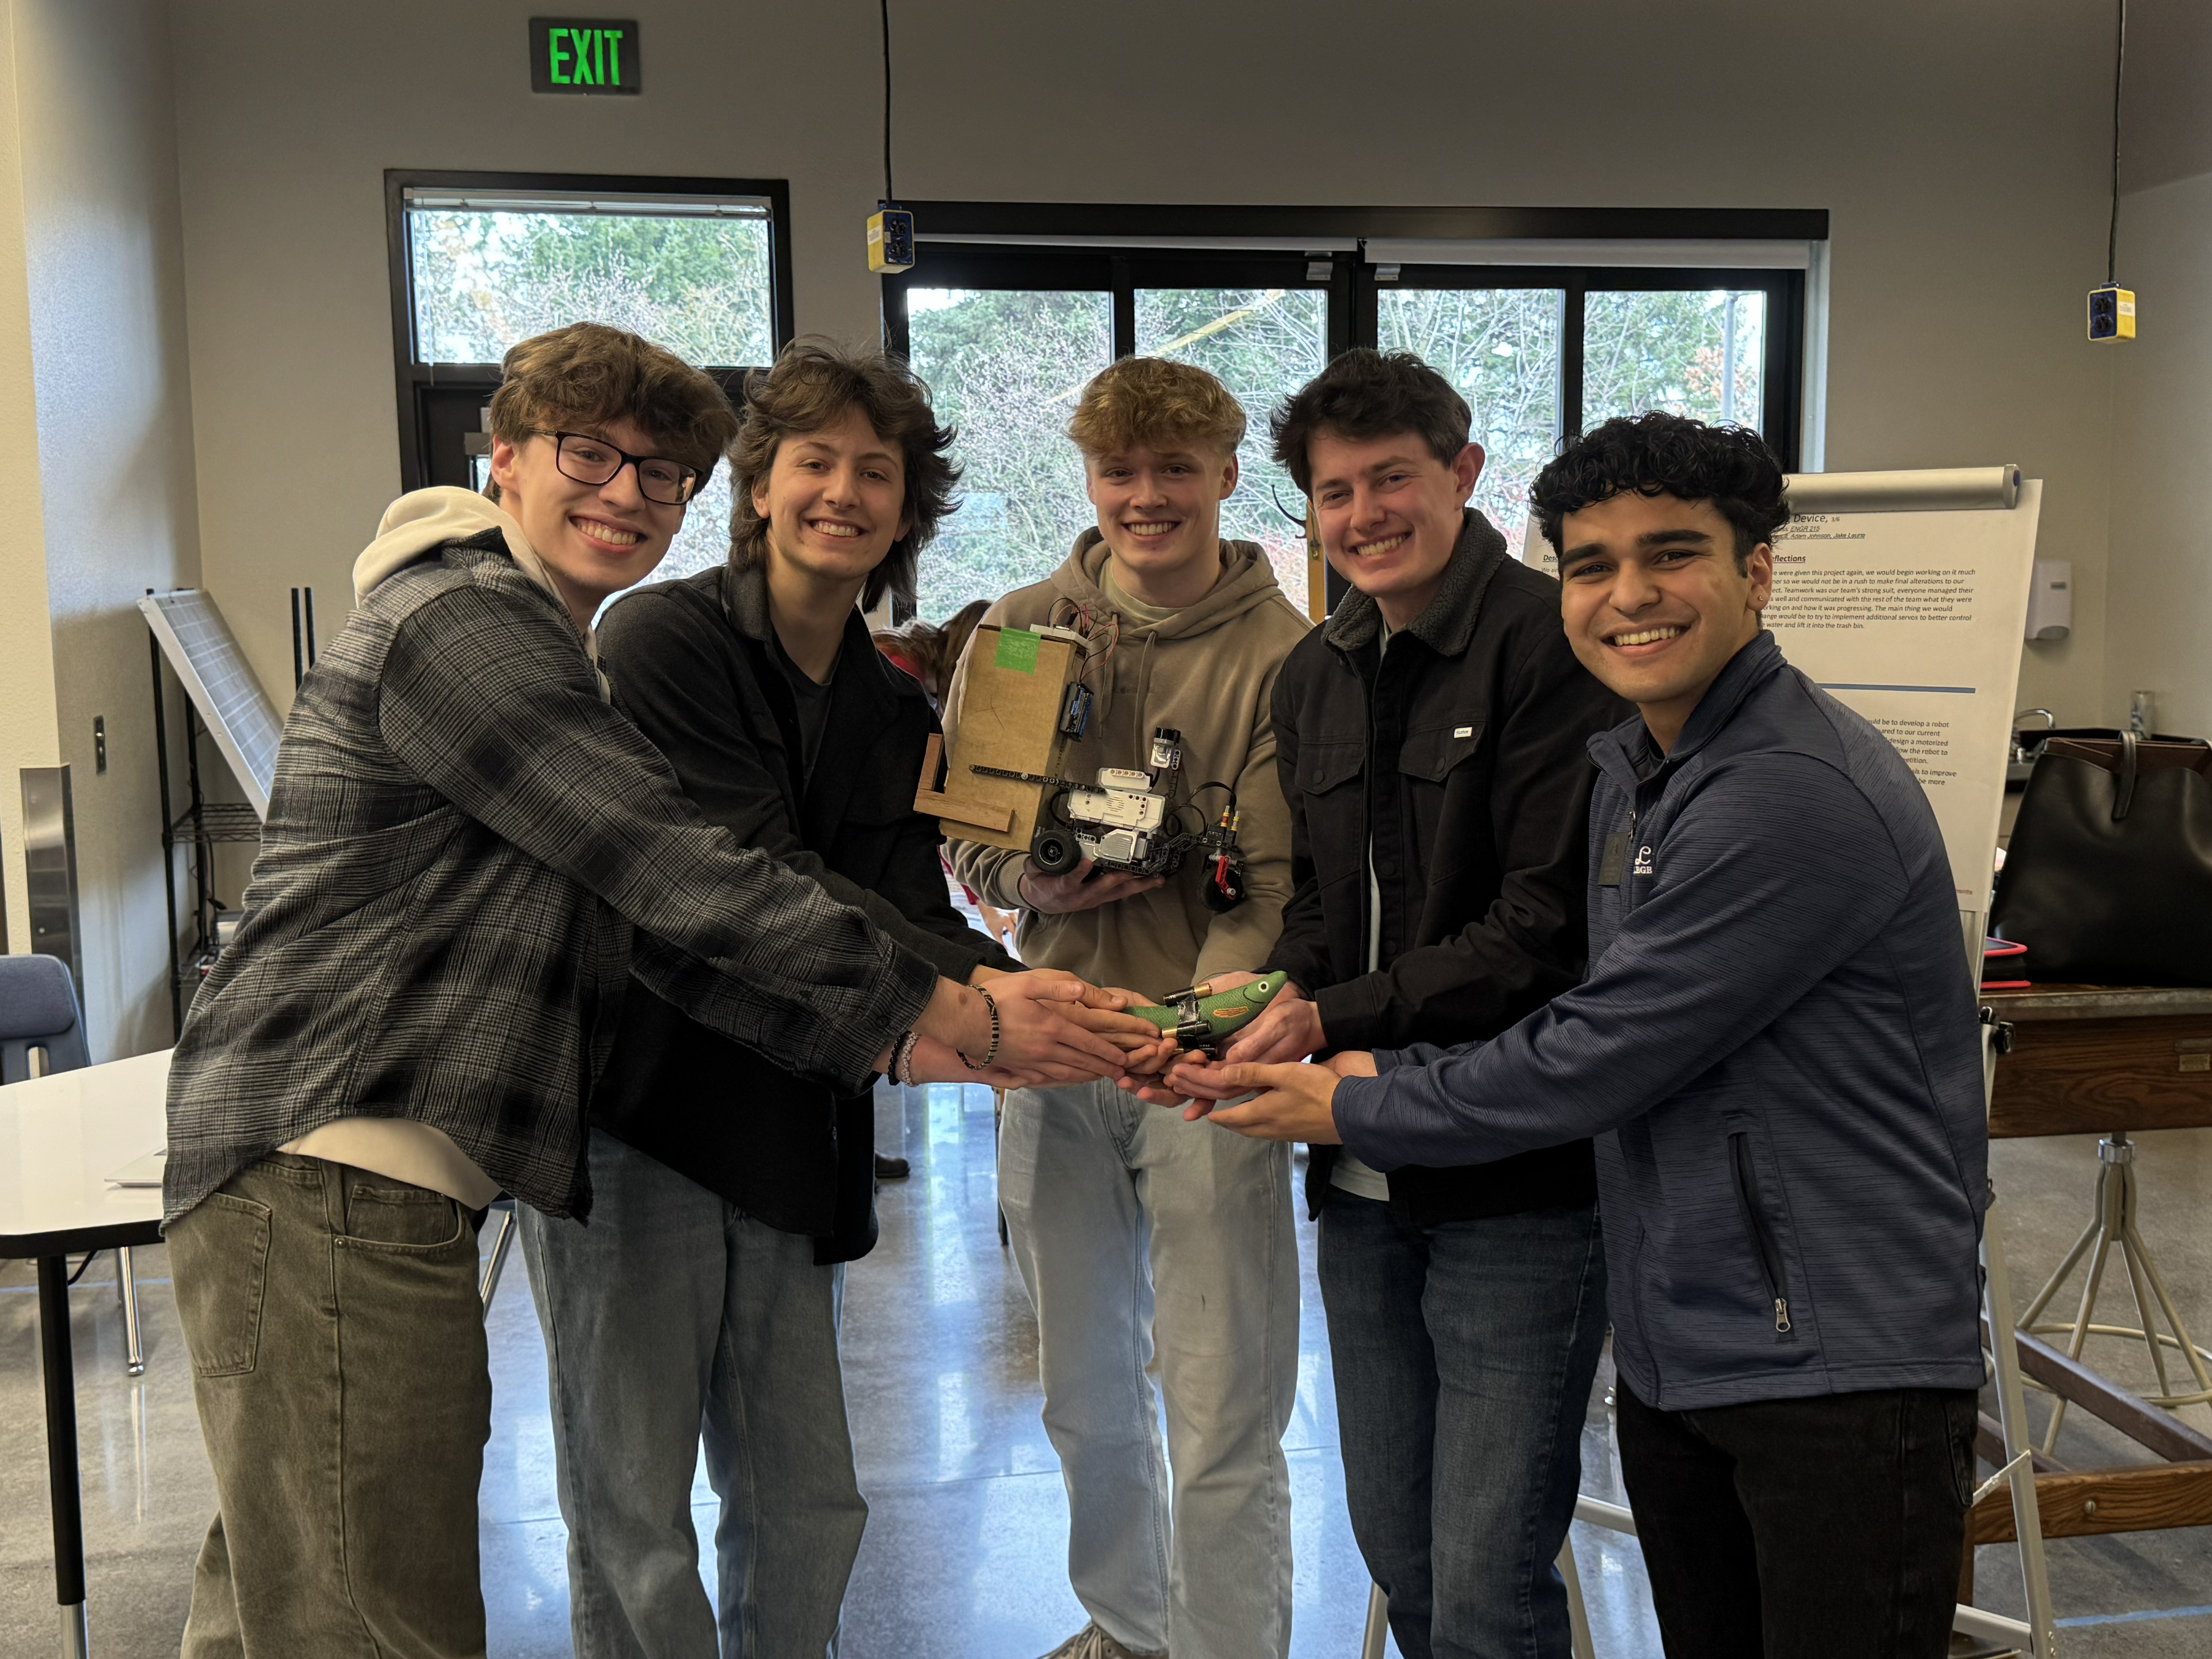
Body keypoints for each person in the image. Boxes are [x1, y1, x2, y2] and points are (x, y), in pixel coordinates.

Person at [161, 322, 1151, 1659]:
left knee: (299, 1595)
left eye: (658, 472)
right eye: (591, 455)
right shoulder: (482, 625)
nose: (627, 492)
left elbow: (730, 907)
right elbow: (684, 869)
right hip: (383, 1143)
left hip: (579, 1151)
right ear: (501, 457)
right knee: (388, 1611)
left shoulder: (782, 681)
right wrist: (961, 1019)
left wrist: (1005, 998)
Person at [1195, 413, 1989, 1659]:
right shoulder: (1639, 767)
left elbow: (1600, 1044)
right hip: (1691, 1343)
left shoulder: (1789, 791)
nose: (1630, 596)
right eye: (1592, 564)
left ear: (1757, 572)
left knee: (1494, 1586)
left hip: (1840, 1357)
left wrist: (1349, 1096)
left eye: (1671, 556)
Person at [518, 338, 1035, 1658]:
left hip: (792, 1127)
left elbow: (914, 898)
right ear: (758, 486)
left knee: (808, 1499)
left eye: (880, 471)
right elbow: (757, 873)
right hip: (640, 1121)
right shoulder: (660, 638)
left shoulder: (891, 700)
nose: (845, 492)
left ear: (909, 509)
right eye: (817, 461)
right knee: (633, 1506)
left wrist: (1043, 998)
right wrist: (982, 1008)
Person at [1166, 349, 1625, 1658]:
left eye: (1392, 480)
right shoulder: (1318, 671)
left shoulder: (1555, 647)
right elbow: (1312, 916)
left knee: (1488, 1583)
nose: (1363, 514)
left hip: (1517, 1183)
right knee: (1403, 1554)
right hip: (1361, 1173)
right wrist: (1225, 1022)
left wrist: (1325, 1019)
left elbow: (1545, 929)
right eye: (1333, 491)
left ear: (1465, 474)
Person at [941, 356, 1309, 1659]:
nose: (1146, 498)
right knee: (1086, 1390)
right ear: (1089, 480)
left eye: (1175, 471)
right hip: (1051, 1044)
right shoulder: (1022, 628)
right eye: (1120, 473)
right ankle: (1126, 1627)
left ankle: (1228, 1647)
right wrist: (1032, 873)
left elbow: (1267, 889)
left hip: (1207, 1060)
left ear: (1224, 476)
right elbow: (974, 844)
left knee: (1219, 1398)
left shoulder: (1290, 656)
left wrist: (1193, 1035)